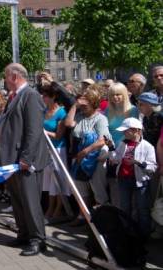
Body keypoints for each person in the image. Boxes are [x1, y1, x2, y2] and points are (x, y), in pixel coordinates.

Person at [0, 63, 49, 256]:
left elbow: (34, 131)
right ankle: (23, 234)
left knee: (31, 202)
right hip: (11, 159)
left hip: (25, 160)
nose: (5, 80)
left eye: (6, 76)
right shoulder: (14, 97)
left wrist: (26, 158)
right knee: (17, 200)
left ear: (14, 76)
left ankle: (37, 240)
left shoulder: (30, 96)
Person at [65, 86, 111, 225]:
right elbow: (68, 123)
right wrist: (75, 105)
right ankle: (83, 215)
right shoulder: (79, 116)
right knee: (81, 189)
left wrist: (85, 152)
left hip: (94, 158)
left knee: (98, 190)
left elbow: (103, 139)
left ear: (94, 103)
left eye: (86, 102)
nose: (83, 105)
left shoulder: (100, 118)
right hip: (79, 157)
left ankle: (100, 220)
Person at [110, 117, 157, 238]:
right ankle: (126, 232)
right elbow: (115, 159)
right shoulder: (123, 143)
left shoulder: (147, 146)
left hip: (139, 182)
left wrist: (138, 162)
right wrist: (111, 148)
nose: (124, 133)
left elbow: (152, 167)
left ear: (136, 130)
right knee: (125, 208)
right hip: (123, 179)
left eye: (126, 131)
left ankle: (144, 234)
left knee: (142, 209)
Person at [105, 82, 139, 205]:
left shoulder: (133, 110)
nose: (115, 97)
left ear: (124, 94)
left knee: (128, 185)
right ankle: (116, 214)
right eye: (112, 95)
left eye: (118, 94)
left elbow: (135, 133)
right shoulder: (107, 110)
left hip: (127, 151)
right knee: (113, 184)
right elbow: (106, 131)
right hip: (112, 151)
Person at [39, 84, 69, 220]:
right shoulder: (44, 110)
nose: (43, 97)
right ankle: (49, 209)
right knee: (49, 181)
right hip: (45, 149)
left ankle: (57, 210)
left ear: (53, 97)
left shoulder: (62, 113)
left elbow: (59, 135)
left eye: (45, 95)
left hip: (57, 149)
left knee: (58, 181)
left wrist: (43, 132)